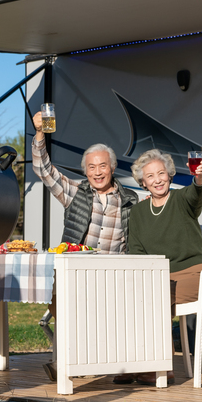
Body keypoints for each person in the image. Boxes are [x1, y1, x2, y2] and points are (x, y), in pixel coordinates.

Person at [31, 113, 139, 341]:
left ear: (112, 167)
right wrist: (40, 132)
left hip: (115, 275)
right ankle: (72, 353)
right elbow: (44, 170)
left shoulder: (131, 199)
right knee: (59, 296)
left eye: (102, 166)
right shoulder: (74, 192)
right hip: (77, 272)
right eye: (91, 167)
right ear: (85, 171)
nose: (97, 172)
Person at [126, 148, 202, 385]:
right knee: (130, 296)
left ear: (170, 175)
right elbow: (136, 251)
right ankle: (131, 363)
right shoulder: (137, 213)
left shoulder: (182, 199)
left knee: (159, 295)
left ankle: (161, 367)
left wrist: (198, 178)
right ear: (143, 182)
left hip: (197, 275)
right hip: (161, 279)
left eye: (161, 173)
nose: (157, 180)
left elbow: (197, 195)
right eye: (150, 176)